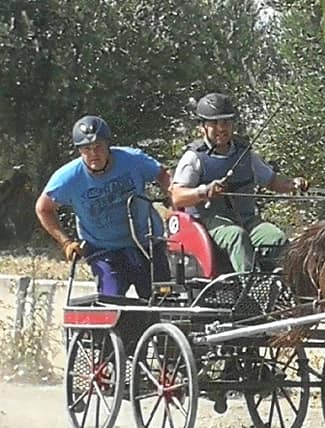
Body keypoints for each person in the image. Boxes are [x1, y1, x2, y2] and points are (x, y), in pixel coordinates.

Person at [169, 92, 309, 273]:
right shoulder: (194, 157)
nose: (221, 128)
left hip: (247, 219)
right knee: (237, 236)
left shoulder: (245, 153)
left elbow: (272, 181)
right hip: (212, 221)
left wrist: (293, 184)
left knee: (276, 238)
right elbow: (177, 197)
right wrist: (205, 191)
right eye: (214, 123)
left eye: (226, 122)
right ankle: (251, 291)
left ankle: (283, 285)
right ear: (202, 127)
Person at [35, 115, 172, 298]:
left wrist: (173, 199)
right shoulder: (67, 178)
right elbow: (43, 208)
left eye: (98, 146)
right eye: (86, 149)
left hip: (147, 243)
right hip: (105, 251)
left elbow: (162, 174)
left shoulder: (132, 159)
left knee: (162, 303)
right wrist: (66, 242)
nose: (93, 153)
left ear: (108, 144)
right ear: (79, 151)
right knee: (109, 303)